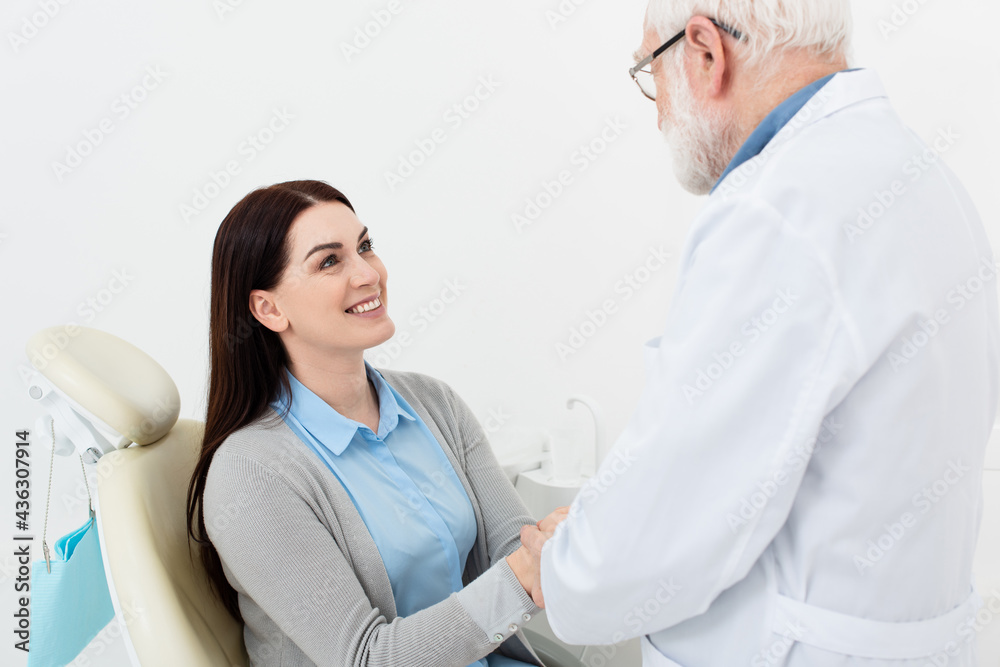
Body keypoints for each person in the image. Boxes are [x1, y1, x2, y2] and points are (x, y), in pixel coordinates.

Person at [519, 1, 1000, 665]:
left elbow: (669, 524)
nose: (656, 109)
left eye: (647, 72)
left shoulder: (778, 209)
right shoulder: (924, 177)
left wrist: (566, 568)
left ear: (705, 52)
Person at [186, 180, 557, 667]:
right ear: (268, 308)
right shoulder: (251, 475)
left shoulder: (434, 403)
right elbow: (366, 659)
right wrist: (526, 573)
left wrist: (564, 544)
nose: (368, 273)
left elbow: (515, 544)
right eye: (329, 261)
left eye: (364, 247)